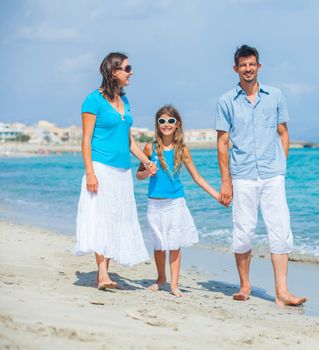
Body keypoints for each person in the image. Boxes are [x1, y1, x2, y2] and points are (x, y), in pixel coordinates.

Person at [215, 45, 307, 306]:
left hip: (272, 175)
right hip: (242, 175)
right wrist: (225, 181)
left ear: (259, 66)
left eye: (252, 64)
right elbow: (222, 143)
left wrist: (281, 165)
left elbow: (283, 133)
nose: (248, 68)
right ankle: (245, 285)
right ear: (236, 68)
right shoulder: (226, 101)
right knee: (243, 232)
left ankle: (282, 292)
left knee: (280, 231)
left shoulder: (275, 96)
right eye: (243, 65)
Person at [75, 52, 158, 290]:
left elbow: (128, 140)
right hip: (101, 167)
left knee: (114, 219)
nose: (131, 72)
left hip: (123, 172)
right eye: (127, 68)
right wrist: (90, 172)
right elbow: (86, 139)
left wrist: (146, 161)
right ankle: (102, 276)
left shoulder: (125, 101)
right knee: (101, 218)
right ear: (114, 71)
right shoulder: (93, 100)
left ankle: (105, 273)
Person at [137, 104, 224, 296]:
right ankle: (161, 279)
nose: (166, 124)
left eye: (170, 121)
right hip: (155, 204)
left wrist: (217, 195)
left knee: (174, 245)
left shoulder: (182, 149)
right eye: (162, 121)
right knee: (159, 245)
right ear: (157, 124)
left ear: (177, 124)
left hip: (176, 203)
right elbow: (139, 175)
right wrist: (147, 171)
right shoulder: (150, 147)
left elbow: (197, 177)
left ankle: (174, 285)